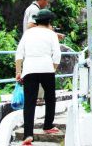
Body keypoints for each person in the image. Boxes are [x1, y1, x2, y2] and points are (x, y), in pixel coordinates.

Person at [16, 9, 61, 146]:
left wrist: (19, 71)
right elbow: (57, 55)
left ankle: (28, 135)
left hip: (29, 69)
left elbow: (19, 53)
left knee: (29, 102)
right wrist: (52, 69)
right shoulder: (52, 34)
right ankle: (48, 126)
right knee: (50, 98)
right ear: (49, 22)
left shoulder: (28, 33)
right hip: (47, 68)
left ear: (36, 21)